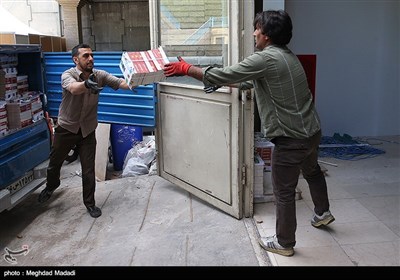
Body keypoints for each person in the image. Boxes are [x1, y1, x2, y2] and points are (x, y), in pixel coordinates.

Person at [163, 10, 335, 256]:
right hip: (311, 131)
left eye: (257, 28)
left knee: (283, 191)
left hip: (290, 139)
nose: (254, 32)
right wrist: (213, 79)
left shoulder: (265, 59)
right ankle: (322, 213)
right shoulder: (287, 56)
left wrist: (186, 68)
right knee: (312, 171)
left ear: (267, 35)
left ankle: (285, 243)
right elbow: (248, 81)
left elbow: (226, 74)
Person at [38, 43, 131, 218]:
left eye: (91, 55)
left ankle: (90, 204)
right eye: (85, 56)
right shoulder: (68, 74)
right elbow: (73, 88)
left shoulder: (100, 75)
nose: (90, 59)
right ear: (76, 59)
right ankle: (52, 185)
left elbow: (120, 82)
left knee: (88, 170)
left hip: (87, 130)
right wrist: (87, 84)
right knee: (54, 164)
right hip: (66, 128)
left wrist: (135, 82)